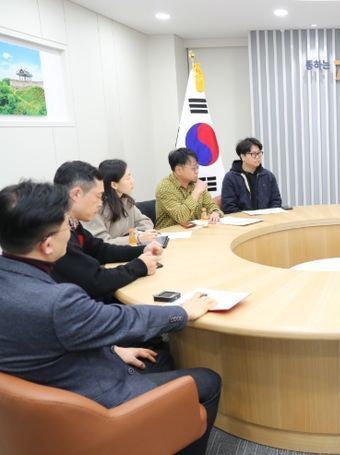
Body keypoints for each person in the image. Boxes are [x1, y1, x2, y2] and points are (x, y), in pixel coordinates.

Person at [0, 180, 220, 455]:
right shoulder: (58, 302)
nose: (70, 232)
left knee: (161, 358)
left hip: (38, 401)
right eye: (66, 226)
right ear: (46, 244)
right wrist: (184, 311)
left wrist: (113, 349)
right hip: (91, 407)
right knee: (208, 381)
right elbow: (124, 320)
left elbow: (50, 335)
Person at [52, 161, 162, 303]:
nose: (100, 203)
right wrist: (140, 265)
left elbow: (100, 249)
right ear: (77, 194)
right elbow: (95, 280)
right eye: (98, 196)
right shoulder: (58, 232)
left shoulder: (72, 222)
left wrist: (141, 250)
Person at [82, 159, 159, 245]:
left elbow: (145, 221)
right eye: (128, 178)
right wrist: (134, 238)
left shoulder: (126, 201)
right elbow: (102, 243)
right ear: (114, 185)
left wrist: (135, 236)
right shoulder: (96, 207)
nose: (132, 181)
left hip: (127, 248)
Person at [155, 148, 223, 230]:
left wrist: (215, 213)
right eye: (193, 168)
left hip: (195, 231)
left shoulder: (195, 183)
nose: (197, 171)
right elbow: (181, 217)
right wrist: (196, 192)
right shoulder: (165, 188)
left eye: (197, 167)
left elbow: (212, 206)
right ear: (179, 170)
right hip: (170, 234)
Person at [220, 137, 282, 213]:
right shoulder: (231, 178)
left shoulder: (268, 176)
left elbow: (276, 201)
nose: (258, 157)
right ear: (242, 156)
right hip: (242, 219)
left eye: (259, 153)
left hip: (267, 218)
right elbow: (229, 206)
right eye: (253, 154)